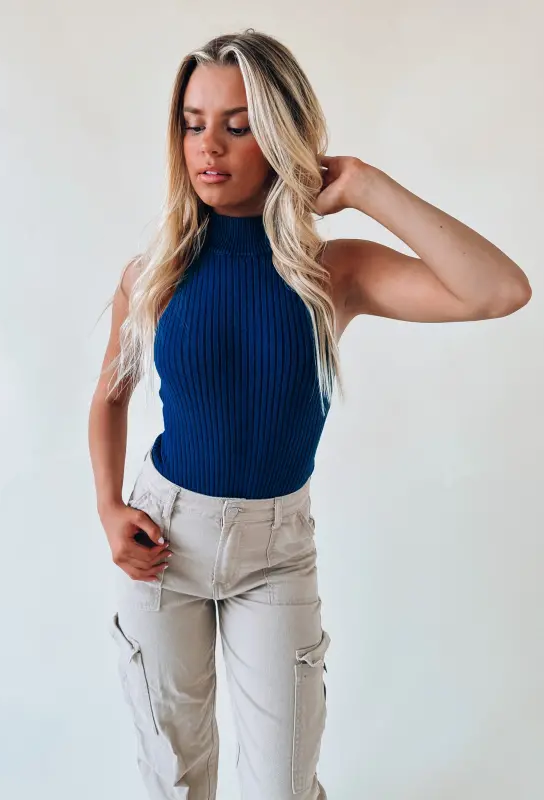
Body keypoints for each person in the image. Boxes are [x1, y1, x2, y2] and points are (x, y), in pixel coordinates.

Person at [88, 29, 531, 800]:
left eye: (238, 124)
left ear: (279, 133)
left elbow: (498, 291)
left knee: (282, 788)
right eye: (193, 123)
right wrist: (107, 507)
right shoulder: (153, 271)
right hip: (165, 541)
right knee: (172, 777)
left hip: (275, 554)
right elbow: (110, 395)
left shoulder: (331, 272)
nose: (209, 146)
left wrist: (363, 184)